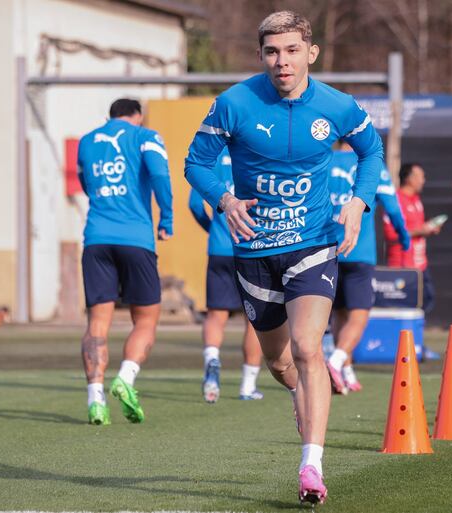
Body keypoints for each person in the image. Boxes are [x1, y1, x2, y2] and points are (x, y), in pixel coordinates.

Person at [184, 11, 383, 505]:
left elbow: (372, 152)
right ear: (261, 56)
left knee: (308, 346)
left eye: (292, 50)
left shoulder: (337, 106)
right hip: (253, 250)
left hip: (313, 243)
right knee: (278, 361)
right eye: (273, 52)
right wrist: (226, 200)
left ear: (311, 53)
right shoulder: (233, 103)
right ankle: (303, 392)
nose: (283, 61)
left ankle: (311, 465)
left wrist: (358, 202)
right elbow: (195, 163)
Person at [77, 98, 173, 425]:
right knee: (145, 320)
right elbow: (160, 175)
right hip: (136, 239)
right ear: (138, 116)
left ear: (110, 116)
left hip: (96, 239)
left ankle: (95, 398)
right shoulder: (146, 136)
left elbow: (86, 184)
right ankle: (126, 378)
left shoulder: (88, 141)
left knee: (97, 323)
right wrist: (167, 219)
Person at [326, 143, 410, 394]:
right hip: (359, 252)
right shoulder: (370, 163)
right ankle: (335, 361)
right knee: (359, 315)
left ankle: (346, 373)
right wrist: (404, 235)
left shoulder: (321, 159)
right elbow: (392, 207)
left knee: (339, 313)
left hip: (327, 250)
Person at [189, 147, 264, 403]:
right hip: (252, 247)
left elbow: (193, 203)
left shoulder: (212, 156)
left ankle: (212, 361)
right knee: (253, 320)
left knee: (216, 314)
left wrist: (212, 228)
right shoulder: (258, 149)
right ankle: (247, 385)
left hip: (220, 246)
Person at [384, 163, 441, 312]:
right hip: (403, 265)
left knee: (427, 299)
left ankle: (414, 333)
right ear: (409, 178)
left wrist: (429, 227)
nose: (423, 180)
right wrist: (420, 231)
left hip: (420, 263)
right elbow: (391, 234)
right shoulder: (395, 200)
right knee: (405, 307)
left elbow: (416, 227)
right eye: (420, 176)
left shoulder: (416, 200)